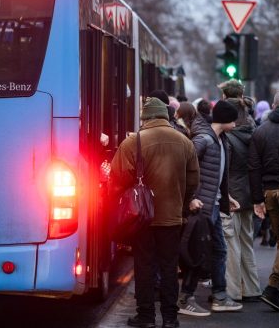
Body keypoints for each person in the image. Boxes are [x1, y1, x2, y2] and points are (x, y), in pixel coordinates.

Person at [112, 97, 200, 328]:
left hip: (142, 219)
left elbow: (118, 178)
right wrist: (182, 204)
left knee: (144, 267)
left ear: (145, 118)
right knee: (170, 267)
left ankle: (146, 316)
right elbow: (193, 181)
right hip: (172, 218)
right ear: (165, 117)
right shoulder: (184, 141)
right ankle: (170, 319)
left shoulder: (133, 142)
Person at [177, 99, 242, 317]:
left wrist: (226, 196)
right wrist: (191, 199)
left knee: (217, 250)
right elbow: (185, 168)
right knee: (200, 252)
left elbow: (216, 174)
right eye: (234, 118)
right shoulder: (205, 140)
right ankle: (186, 298)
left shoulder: (222, 140)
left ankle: (219, 296)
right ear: (225, 119)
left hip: (211, 204)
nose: (237, 122)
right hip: (202, 207)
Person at [249, 89, 279, 312]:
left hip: (269, 191)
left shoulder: (260, 131)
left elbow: (254, 167)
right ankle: (272, 286)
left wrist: (257, 199)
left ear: (273, 105)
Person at [223, 97, 262, 302]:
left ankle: (233, 291)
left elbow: (225, 170)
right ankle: (252, 287)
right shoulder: (254, 133)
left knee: (231, 243)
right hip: (249, 193)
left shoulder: (228, 137)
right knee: (247, 241)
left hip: (232, 196)